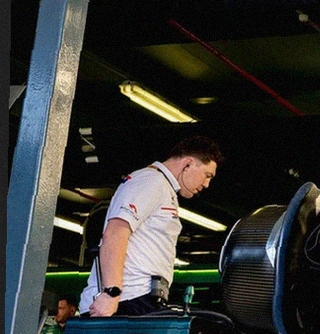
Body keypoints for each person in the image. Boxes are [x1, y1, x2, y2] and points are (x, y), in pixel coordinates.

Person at [79, 136, 223, 317]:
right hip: (125, 300)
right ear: (188, 163)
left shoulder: (164, 189)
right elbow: (115, 233)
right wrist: (111, 293)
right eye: (207, 175)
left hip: (140, 299)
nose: (206, 184)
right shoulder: (150, 181)